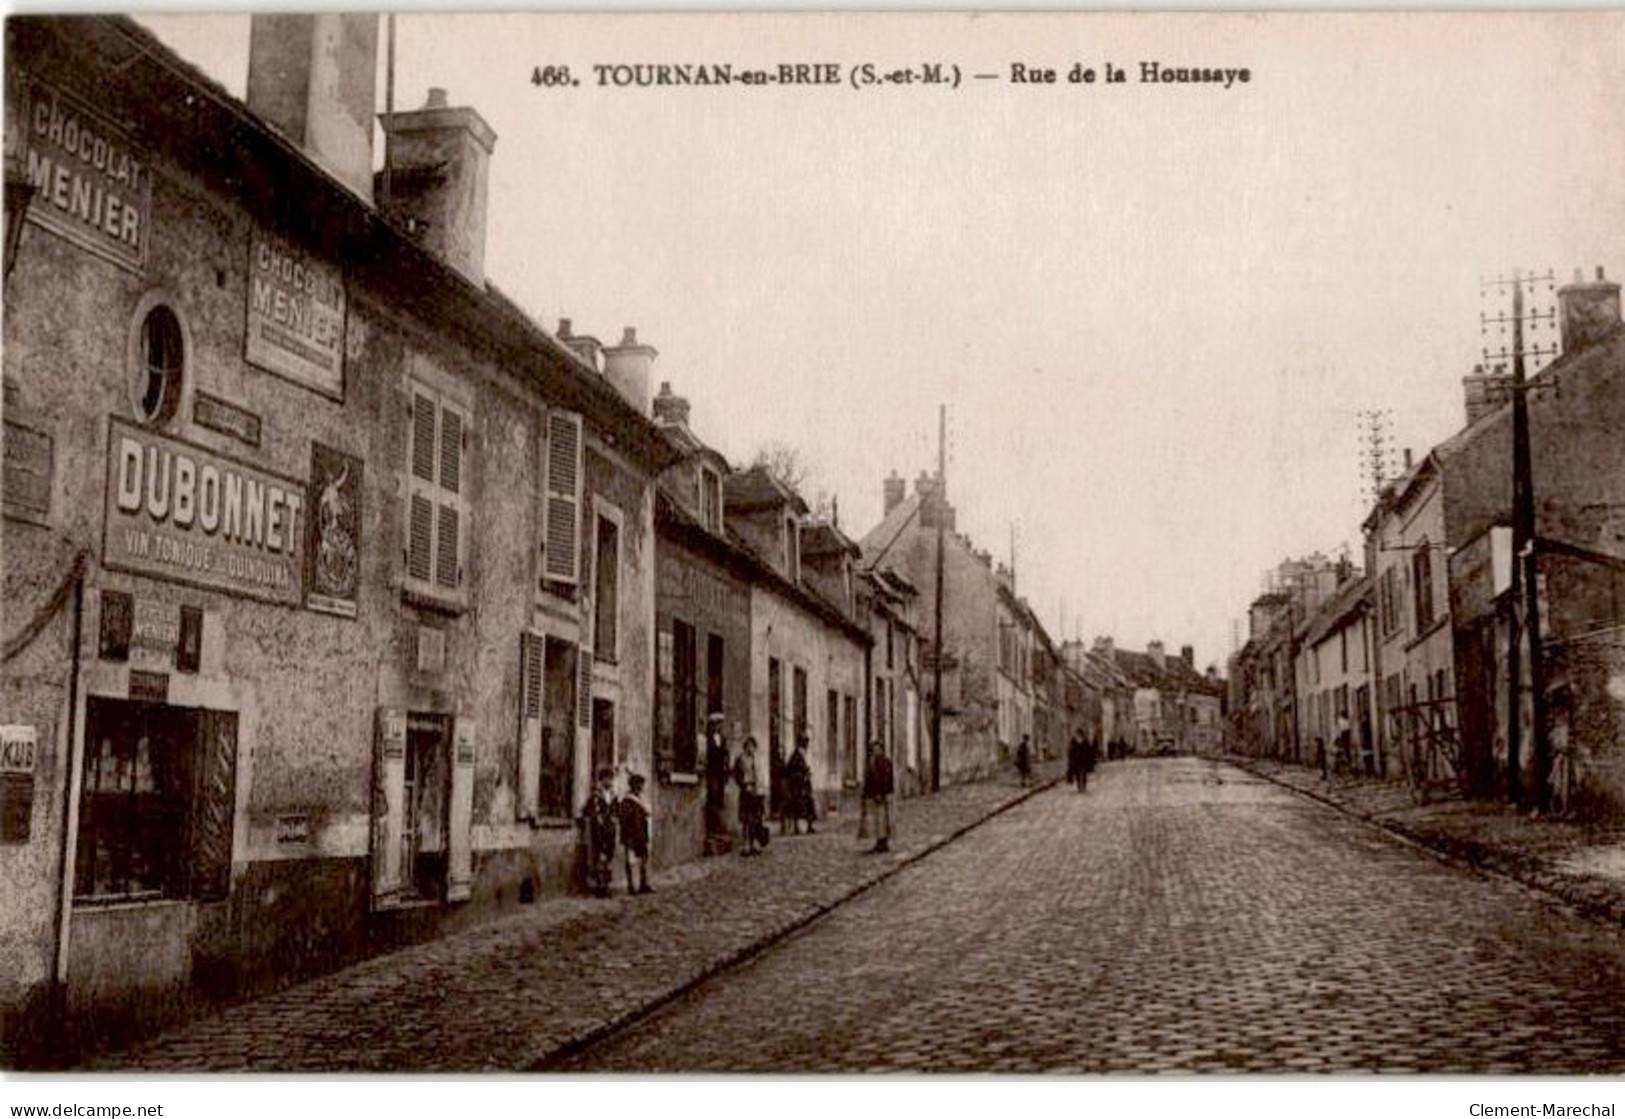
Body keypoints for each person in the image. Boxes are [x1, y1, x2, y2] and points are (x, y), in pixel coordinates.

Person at [580, 768, 618, 897]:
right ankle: (600, 886)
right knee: (600, 855)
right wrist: (596, 818)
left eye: (611, 779)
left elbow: (616, 810)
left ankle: (606, 885)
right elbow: (587, 811)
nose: (610, 781)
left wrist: (614, 818)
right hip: (599, 830)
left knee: (608, 855)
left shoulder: (613, 795)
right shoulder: (596, 796)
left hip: (610, 829)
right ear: (602, 780)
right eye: (607, 779)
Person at [618, 772, 653, 895]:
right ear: (632, 786)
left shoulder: (642, 799)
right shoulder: (627, 801)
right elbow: (624, 821)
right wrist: (628, 837)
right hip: (632, 835)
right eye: (638, 785)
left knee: (644, 859)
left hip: (642, 834)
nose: (640, 788)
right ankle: (631, 886)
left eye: (641, 785)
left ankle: (644, 884)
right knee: (631, 860)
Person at [733, 736, 766, 856]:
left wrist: (762, 789)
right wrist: (743, 785)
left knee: (756, 820)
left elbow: (761, 775)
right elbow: (736, 775)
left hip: (757, 793)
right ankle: (746, 845)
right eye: (748, 746)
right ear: (745, 747)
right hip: (746, 793)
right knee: (746, 820)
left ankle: (755, 844)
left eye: (752, 746)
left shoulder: (757, 759)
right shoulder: (740, 759)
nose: (750, 748)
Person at [862, 740, 895, 854]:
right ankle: (880, 841)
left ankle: (883, 842)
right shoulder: (873, 763)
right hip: (875, 796)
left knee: (883, 820)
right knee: (878, 821)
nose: (875, 751)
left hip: (882, 796)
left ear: (881, 750)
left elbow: (886, 780)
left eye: (877, 749)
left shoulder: (885, 763)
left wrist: (881, 794)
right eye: (874, 750)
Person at [703, 713, 730, 849]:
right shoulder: (708, 738)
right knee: (712, 799)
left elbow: (725, 755)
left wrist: (726, 768)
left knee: (719, 800)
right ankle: (712, 830)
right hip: (712, 773)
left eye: (720, 724)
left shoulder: (723, 738)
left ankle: (719, 830)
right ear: (712, 725)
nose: (719, 726)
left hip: (720, 774)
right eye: (717, 724)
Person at [785, 735, 817, 834]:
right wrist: (803, 773)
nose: (806, 747)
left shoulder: (801, 755)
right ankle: (797, 827)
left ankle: (809, 826)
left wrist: (806, 772)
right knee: (798, 806)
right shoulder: (795, 756)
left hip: (804, 786)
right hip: (797, 787)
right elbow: (790, 771)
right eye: (804, 744)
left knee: (809, 805)